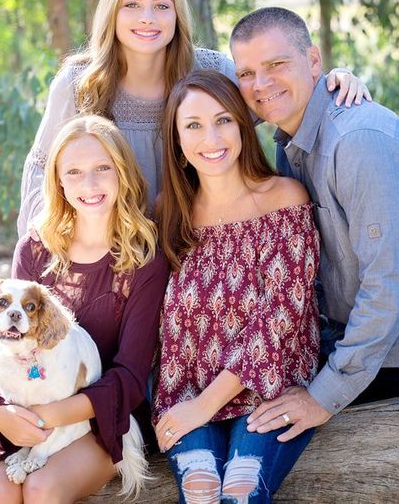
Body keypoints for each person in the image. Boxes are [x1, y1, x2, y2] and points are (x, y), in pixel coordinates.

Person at [228, 7, 399, 442]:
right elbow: (230, 99)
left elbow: (391, 284)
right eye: (247, 73)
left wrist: (323, 396)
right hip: (371, 344)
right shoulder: (292, 138)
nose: (261, 83)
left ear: (314, 62)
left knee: (265, 438)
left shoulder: (357, 143)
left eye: (277, 65)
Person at [17, 0, 370, 238]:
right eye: (131, 5)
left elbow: (272, 93)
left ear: (177, 14)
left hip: (188, 250)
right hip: (110, 256)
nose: (147, 19)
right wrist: (39, 246)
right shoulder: (78, 83)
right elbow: (41, 167)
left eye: (161, 6)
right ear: (111, 12)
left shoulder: (209, 72)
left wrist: (329, 80)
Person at [0, 115, 169, 502]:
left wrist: (51, 417)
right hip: (27, 404)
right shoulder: (34, 249)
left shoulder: (145, 261)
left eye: (102, 168)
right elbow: (7, 344)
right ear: (57, 180)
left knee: (43, 488)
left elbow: (129, 375)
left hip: (102, 416)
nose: (89, 184)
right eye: (73, 171)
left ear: (122, 172)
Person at [153, 70, 321, 503]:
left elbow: (280, 318)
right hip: (186, 387)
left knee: (241, 490)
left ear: (244, 127)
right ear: (177, 142)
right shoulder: (170, 215)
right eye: (193, 125)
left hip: (270, 388)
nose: (211, 137)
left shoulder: (284, 198)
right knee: (202, 489)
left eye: (224, 120)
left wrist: (205, 406)